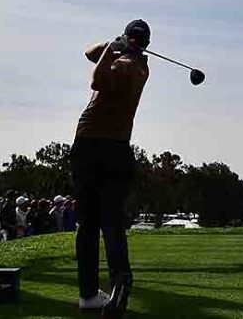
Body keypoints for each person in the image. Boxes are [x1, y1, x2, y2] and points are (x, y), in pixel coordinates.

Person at [72, 20, 152, 315]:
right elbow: (89, 52)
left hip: (91, 146)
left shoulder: (127, 66)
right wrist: (111, 45)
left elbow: (96, 79)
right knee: (112, 221)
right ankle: (118, 279)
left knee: (89, 224)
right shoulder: (139, 65)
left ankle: (91, 292)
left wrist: (112, 49)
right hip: (118, 149)